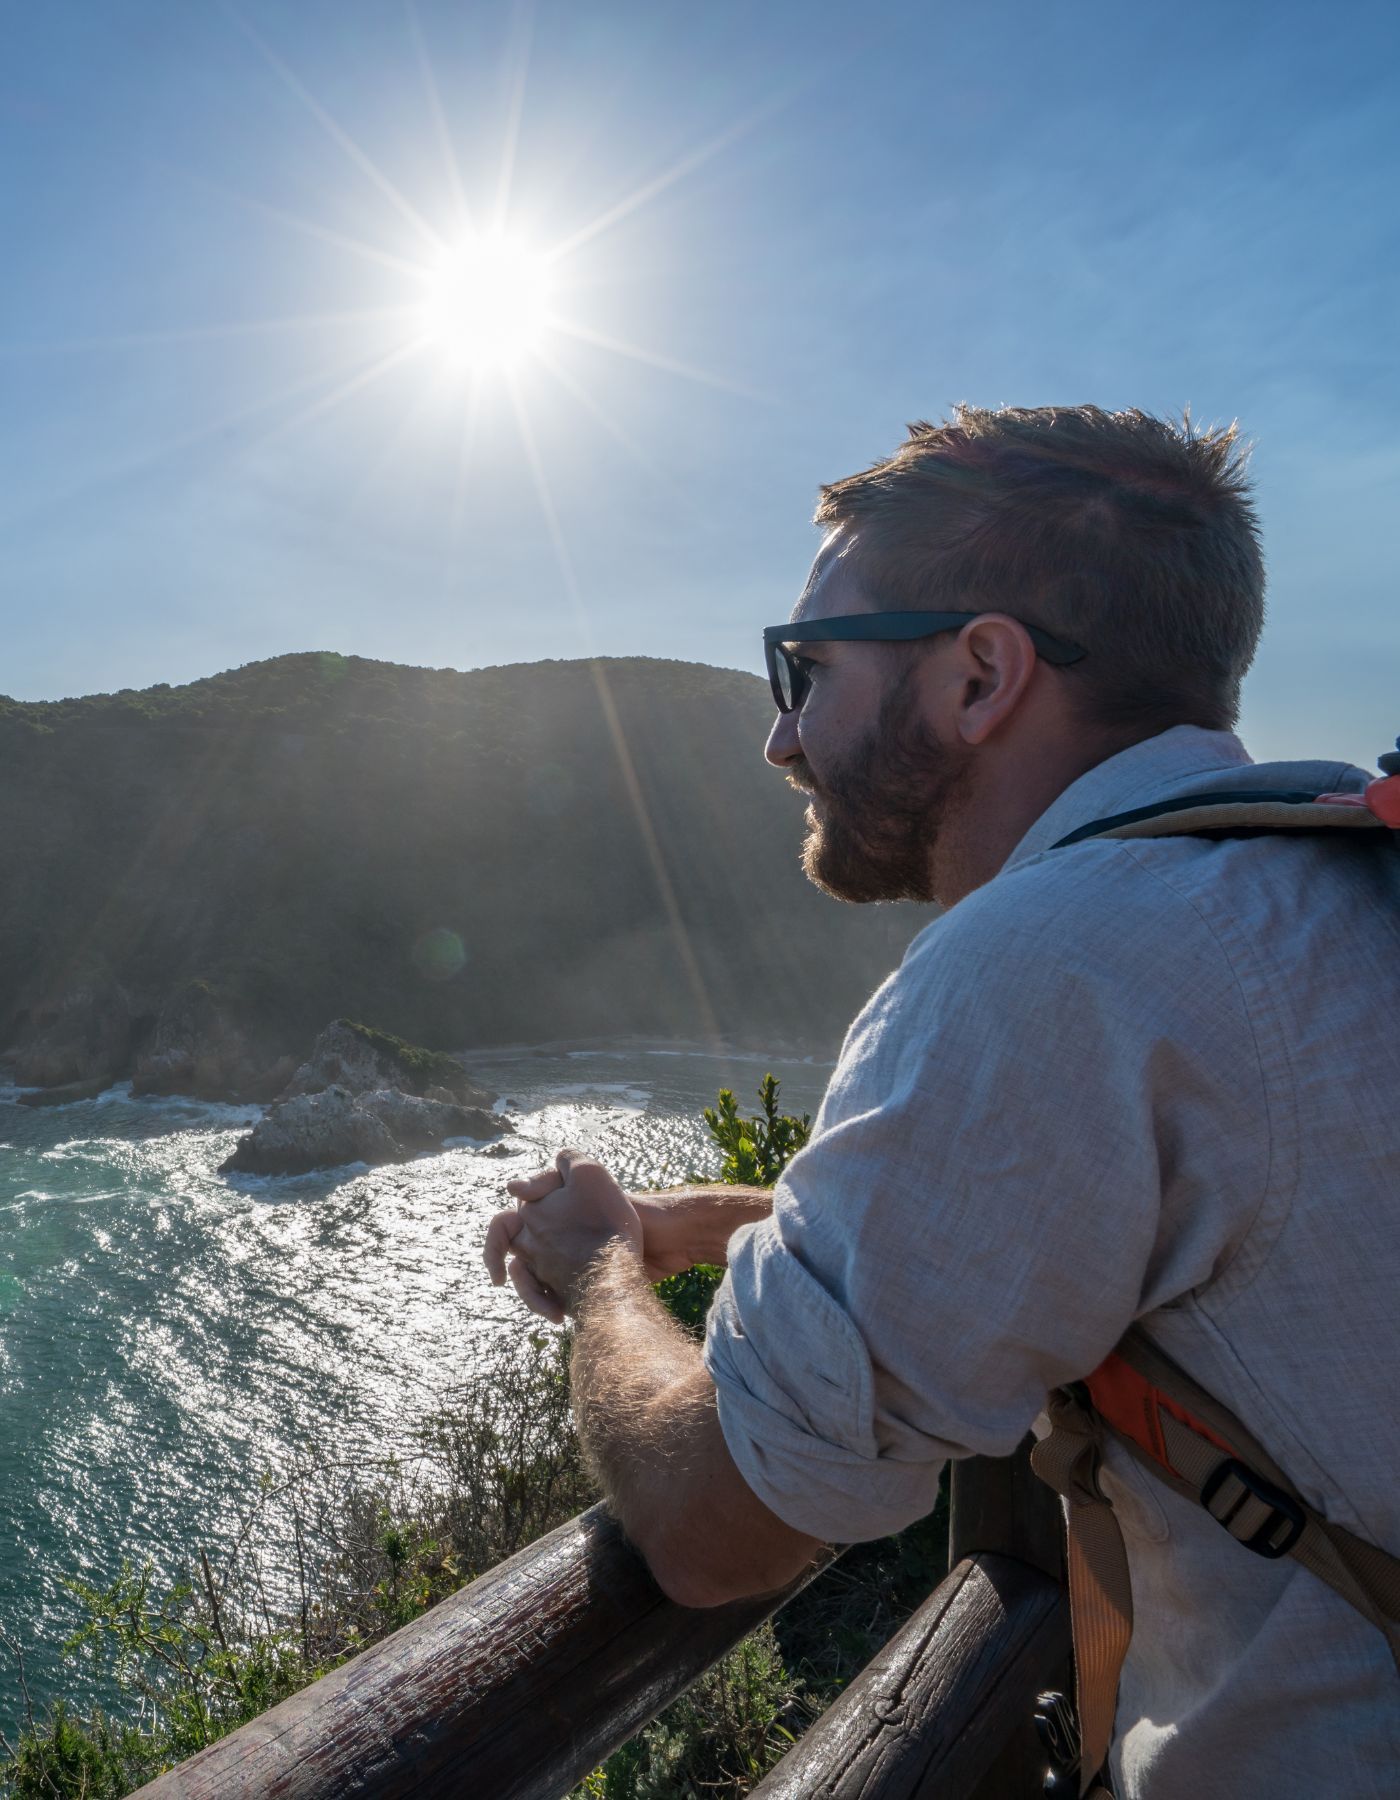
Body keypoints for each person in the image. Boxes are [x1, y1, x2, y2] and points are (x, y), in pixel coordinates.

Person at [482, 404, 1400, 1798]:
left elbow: (716, 1522)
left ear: (980, 673)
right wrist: (695, 1226)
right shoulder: (1317, 863)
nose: (784, 741)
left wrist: (600, 1265)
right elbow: (1015, 1232)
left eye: (807, 669)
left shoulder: (1053, 965)